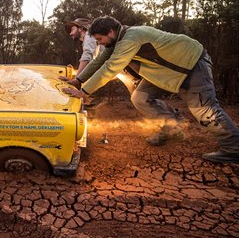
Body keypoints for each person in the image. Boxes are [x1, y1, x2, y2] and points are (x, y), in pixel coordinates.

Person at [62, 16, 239, 164]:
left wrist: (84, 92)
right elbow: (99, 61)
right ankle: (171, 127)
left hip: (191, 63)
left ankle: (234, 148)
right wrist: (78, 80)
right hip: (163, 72)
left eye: (100, 39)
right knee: (139, 97)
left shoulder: (131, 37)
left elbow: (110, 68)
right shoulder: (115, 41)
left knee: (204, 110)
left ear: (111, 32)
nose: (99, 43)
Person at [64, 17, 141, 96]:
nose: (71, 33)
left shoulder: (88, 36)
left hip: (120, 67)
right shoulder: (108, 42)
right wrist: (78, 80)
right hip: (119, 68)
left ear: (80, 28)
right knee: (137, 94)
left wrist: (79, 84)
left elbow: (87, 57)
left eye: (72, 29)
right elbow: (98, 60)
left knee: (138, 93)